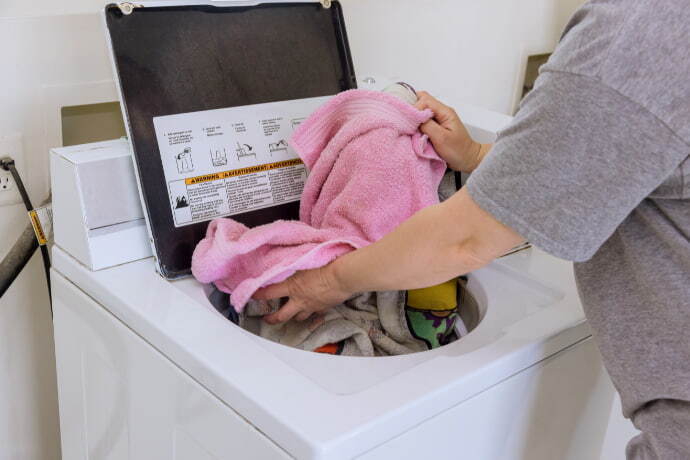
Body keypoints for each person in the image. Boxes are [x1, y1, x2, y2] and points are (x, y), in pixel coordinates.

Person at [255, 1, 689, 458]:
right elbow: (615, 156)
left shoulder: (639, 32)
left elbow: (464, 240)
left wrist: (327, 280)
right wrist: (480, 157)